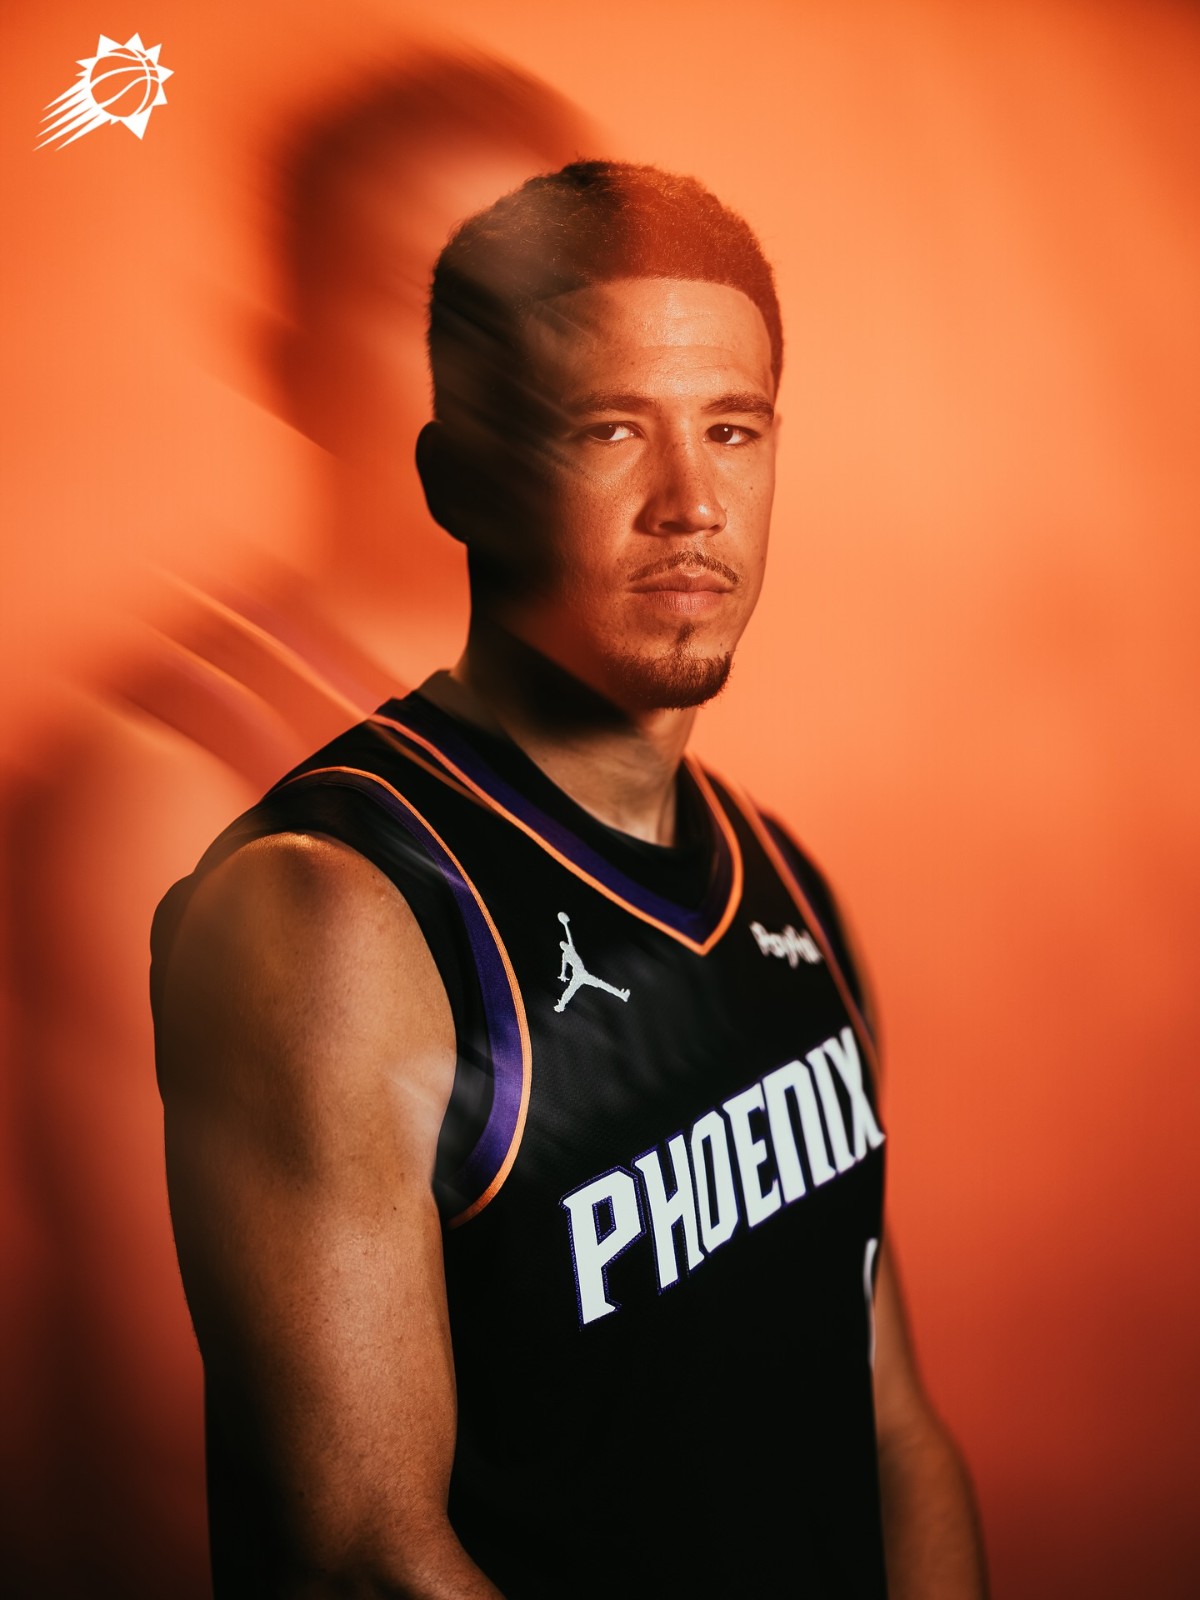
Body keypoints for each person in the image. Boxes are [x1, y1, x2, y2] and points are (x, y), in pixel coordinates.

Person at [151, 161, 989, 1598]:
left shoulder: (783, 881)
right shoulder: (333, 911)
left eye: (733, 429)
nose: (690, 502)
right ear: (457, 478)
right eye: (610, 428)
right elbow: (361, 1561)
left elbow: (894, 1432)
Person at [2, 53, 587, 1598]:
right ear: (287, 355)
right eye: (426, 298)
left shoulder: (593, 725)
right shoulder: (173, 791)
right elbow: (175, 1441)